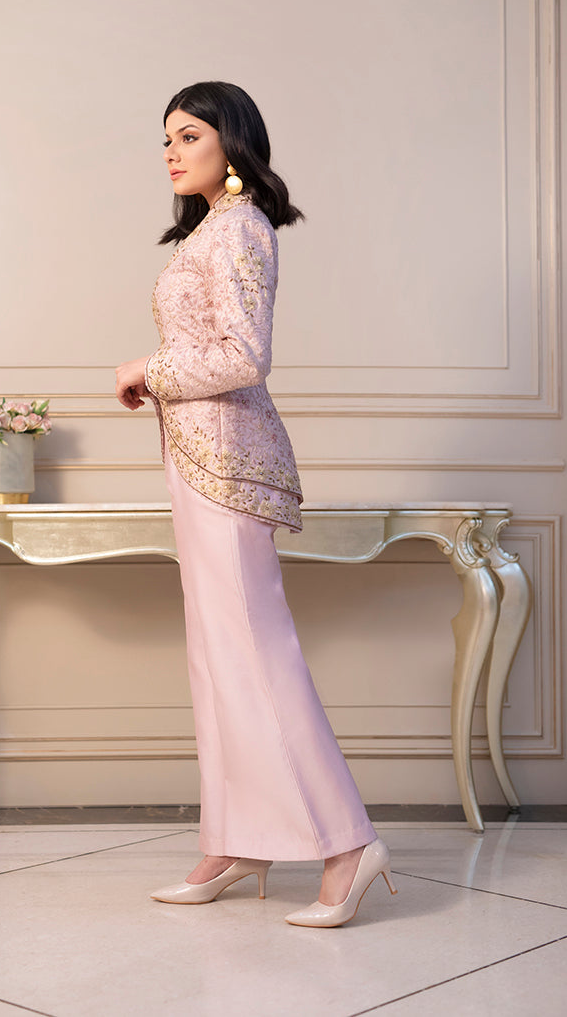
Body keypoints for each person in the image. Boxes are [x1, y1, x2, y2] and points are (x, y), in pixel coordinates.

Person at [115, 81, 397, 927]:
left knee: (256, 652)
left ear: (230, 141)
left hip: (229, 464)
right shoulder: (210, 229)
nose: (172, 152)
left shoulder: (241, 228)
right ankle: (236, 837)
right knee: (218, 658)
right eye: (166, 138)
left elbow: (246, 355)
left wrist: (148, 370)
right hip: (198, 459)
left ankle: (347, 845)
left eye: (189, 135)